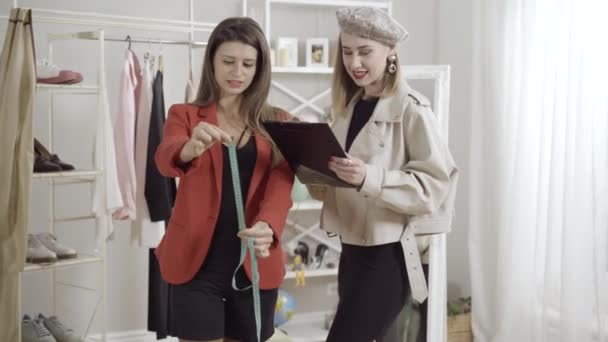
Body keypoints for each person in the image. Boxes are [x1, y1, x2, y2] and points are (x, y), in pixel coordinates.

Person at [307, 7, 459, 342]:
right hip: (352, 252)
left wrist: (368, 177)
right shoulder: (348, 109)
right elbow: (336, 187)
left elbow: (434, 188)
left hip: (389, 255)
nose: (354, 63)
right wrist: (311, 168)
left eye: (365, 52)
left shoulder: (413, 110)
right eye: (347, 52)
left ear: (391, 52)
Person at [153, 17, 295, 342]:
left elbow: (282, 183)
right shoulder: (184, 115)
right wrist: (189, 148)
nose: (237, 72)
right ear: (212, 62)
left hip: (253, 268)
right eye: (228, 61)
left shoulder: (280, 123)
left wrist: (268, 227)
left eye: (248, 64)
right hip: (194, 265)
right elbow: (165, 159)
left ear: (260, 68)